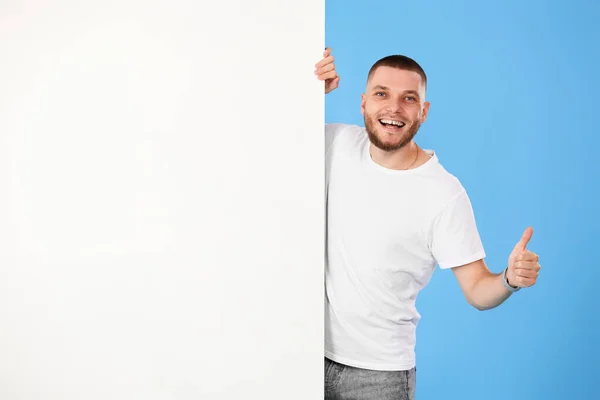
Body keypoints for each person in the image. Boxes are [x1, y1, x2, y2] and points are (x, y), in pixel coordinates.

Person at [314, 48, 541, 400]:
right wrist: (309, 95)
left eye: (409, 98)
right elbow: (264, 138)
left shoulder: (443, 194)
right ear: (363, 103)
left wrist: (510, 279)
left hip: (379, 377)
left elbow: (478, 290)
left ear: (424, 111)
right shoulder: (336, 144)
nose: (394, 108)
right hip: (304, 355)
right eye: (381, 94)